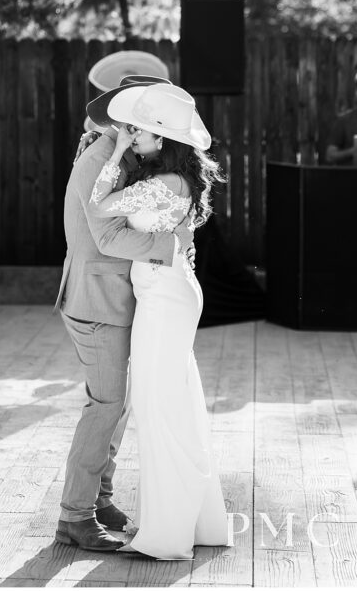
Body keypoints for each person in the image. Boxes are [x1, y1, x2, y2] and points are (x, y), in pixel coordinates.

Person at [87, 81, 230, 560]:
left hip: (165, 297)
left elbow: (99, 206)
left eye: (141, 131)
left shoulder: (163, 186)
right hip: (168, 291)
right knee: (175, 403)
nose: (134, 134)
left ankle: (166, 537)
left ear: (161, 138)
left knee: (158, 409)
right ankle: (195, 522)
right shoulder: (172, 182)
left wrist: (118, 151)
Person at [54, 75, 197, 553]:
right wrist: (169, 247)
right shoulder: (99, 158)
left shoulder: (132, 154)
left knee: (120, 405)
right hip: (97, 300)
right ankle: (74, 516)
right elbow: (104, 236)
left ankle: (102, 498)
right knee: (105, 406)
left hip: (125, 298)